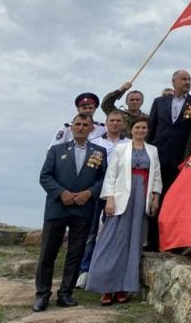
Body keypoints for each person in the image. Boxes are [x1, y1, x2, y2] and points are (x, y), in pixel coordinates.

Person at [33, 114, 107, 312]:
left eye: (85, 125)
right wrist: (61, 193)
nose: (81, 127)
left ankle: (65, 293)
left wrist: (89, 193)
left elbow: (103, 179)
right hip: (57, 208)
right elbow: (45, 177)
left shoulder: (99, 152)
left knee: (75, 254)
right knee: (48, 253)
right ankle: (42, 295)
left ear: (91, 128)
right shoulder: (57, 150)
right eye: (78, 124)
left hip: (83, 209)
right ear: (72, 127)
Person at [86, 116, 162, 305]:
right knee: (112, 242)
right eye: (137, 127)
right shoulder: (121, 149)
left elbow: (157, 176)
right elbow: (111, 176)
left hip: (141, 198)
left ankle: (122, 288)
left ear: (147, 130)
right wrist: (109, 199)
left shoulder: (153, 150)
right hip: (121, 199)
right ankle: (106, 287)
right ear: (131, 129)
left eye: (144, 127)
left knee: (133, 243)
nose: (141, 130)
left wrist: (155, 196)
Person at [146, 69, 191, 249]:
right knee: (156, 198)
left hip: (182, 159)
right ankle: (153, 241)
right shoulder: (159, 102)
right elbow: (152, 129)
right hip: (160, 157)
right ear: (174, 82)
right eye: (183, 79)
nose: (187, 82)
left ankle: (177, 242)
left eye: (189, 79)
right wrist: (149, 153)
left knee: (179, 201)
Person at [76, 109, 130, 289]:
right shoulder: (95, 143)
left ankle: (106, 272)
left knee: (112, 234)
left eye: (118, 121)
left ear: (123, 124)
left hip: (119, 194)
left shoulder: (129, 144)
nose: (115, 123)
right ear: (106, 123)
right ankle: (84, 271)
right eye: (112, 120)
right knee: (91, 233)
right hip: (96, 192)